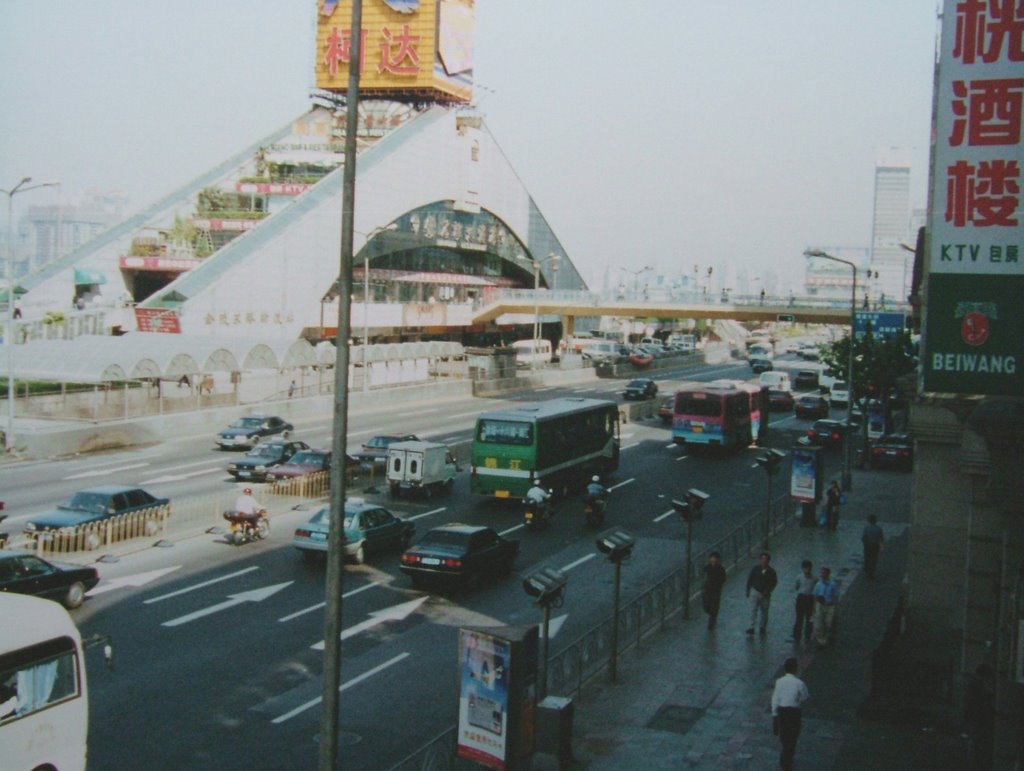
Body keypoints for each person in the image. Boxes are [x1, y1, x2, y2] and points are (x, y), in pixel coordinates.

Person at [771, 657, 810, 771]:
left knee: (784, 735)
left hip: (782, 712)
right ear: (795, 669)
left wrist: (774, 714)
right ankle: (787, 759)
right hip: (794, 712)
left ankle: (786, 758)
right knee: (793, 735)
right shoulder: (799, 683)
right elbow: (805, 697)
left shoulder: (779, 682)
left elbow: (775, 699)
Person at [746, 552, 778, 635]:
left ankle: (762, 626)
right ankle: (751, 627)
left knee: (764, 611)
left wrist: (769, 590)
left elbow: (774, 582)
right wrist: (748, 590)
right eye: (762, 559)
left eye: (765, 560)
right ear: (760, 560)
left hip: (765, 594)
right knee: (753, 610)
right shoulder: (755, 569)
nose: (764, 561)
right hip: (755, 591)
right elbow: (750, 579)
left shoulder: (771, 572)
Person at [812, 566, 839, 649]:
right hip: (820, 605)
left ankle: (828, 638)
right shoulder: (818, 584)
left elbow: (836, 596)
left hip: (830, 605)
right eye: (821, 573)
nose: (821, 575)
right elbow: (815, 596)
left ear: (828, 574)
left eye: (823, 573)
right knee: (819, 623)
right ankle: (822, 641)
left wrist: (835, 606)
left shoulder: (833, 584)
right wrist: (814, 607)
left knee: (829, 623)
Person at [790, 560, 816, 642]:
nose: (807, 570)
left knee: (809, 618)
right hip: (801, 598)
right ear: (802, 569)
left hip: (810, 598)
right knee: (799, 617)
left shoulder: (814, 578)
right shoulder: (799, 577)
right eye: (805, 568)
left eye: (808, 568)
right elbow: (796, 587)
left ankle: (808, 635)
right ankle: (797, 635)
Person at [701, 551, 727, 630]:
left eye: (715, 561)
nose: (713, 562)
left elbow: (724, 579)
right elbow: (704, 577)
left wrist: (718, 583)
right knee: (706, 606)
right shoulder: (707, 568)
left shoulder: (721, 569)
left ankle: (712, 620)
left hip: (716, 590)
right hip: (707, 590)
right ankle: (711, 614)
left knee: (714, 606)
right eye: (712, 560)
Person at [861, 515, 885, 579]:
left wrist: (865, 545)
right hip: (875, 546)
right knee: (874, 559)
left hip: (868, 545)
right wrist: (882, 547)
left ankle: (867, 570)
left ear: (869, 520)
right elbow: (881, 539)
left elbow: (864, 538)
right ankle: (872, 572)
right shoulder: (879, 529)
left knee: (867, 558)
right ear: (875, 521)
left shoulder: (866, 528)